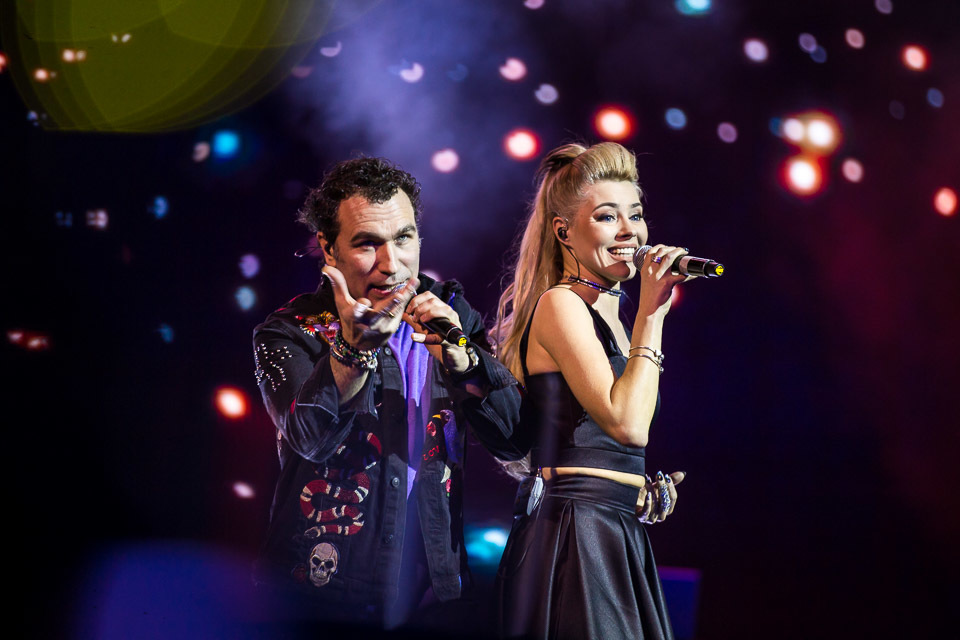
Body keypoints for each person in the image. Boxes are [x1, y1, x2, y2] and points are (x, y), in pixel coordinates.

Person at [251, 157, 524, 631]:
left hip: (432, 596)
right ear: (329, 249)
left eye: (403, 238)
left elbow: (514, 440)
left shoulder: (451, 313)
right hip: (320, 593)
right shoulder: (290, 330)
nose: (391, 263)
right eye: (367, 244)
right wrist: (352, 351)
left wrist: (466, 361)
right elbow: (310, 438)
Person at [493, 142, 687, 639]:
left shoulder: (615, 320)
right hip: (576, 534)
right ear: (564, 232)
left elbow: (616, 441)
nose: (629, 231)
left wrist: (631, 486)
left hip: (614, 526)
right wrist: (652, 315)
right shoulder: (561, 305)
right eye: (607, 217)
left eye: (635, 215)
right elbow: (627, 424)